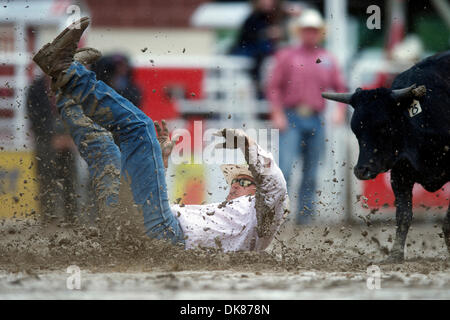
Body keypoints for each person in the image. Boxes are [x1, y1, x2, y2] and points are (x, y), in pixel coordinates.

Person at [32, 17, 289, 252]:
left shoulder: (261, 219)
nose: (236, 184)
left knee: (140, 129)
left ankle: (68, 74)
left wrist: (247, 144)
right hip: (137, 229)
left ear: (260, 196)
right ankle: (65, 89)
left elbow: (275, 185)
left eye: (245, 183)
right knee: (109, 153)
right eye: (237, 180)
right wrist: (160, 164)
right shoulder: (223, 215)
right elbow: (156, 204)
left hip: (162, 233)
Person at [266, 9, 347, 225]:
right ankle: (277, 216)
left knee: (311, 171)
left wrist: (339, 110)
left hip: (316, 118)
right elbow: (273, 87)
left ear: (319, 33)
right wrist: (277, 113)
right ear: (300, 32)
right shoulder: (286, 56)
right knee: (285, 168)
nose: (310, 34)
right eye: (306, 30)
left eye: (314, 30)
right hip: (291, 116)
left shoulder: (328, 59)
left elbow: (340, 87)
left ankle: (305, 216)